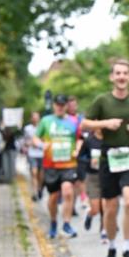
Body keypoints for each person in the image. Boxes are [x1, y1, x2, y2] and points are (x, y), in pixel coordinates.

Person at [81, 59, 129, 257]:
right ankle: (112, 246)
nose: (121, 77)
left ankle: (127, 248)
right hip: (107, 159)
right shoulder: (102, 100)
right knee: (110, 209)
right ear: (112, 77)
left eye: (125, 73)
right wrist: (105, 123)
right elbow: (84, 123)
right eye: (117, 73)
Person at [34, 94, 80, 239]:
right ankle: (53, 222)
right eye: (58, 105)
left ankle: (66, 224)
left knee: (67, 191)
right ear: (54, 105)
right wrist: (42, 144)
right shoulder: (46, 121)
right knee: (53, 197)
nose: (60, 107)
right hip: (51, 164)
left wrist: (77, 149)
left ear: (66, 106)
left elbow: (80, 138)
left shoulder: (74, 121)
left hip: (69, 163)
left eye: (63, 105)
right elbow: (35, 138)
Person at [78, 128, 107, 242]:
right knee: (95, 208)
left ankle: (104, 231)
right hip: (93, 176)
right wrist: (90, 160)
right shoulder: (89, 140)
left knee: (106, 207)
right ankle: (90, 215)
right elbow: (81, 156)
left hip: (107, 176)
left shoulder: (110, 140)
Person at [67, 95, 87, 211]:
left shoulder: (81, 118)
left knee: (80, 179)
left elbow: (84, 135)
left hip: (81, 154)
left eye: (74, 105)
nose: (72, 107)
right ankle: (72, 205)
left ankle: (81, 199)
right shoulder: (64, 119)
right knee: (71, 182)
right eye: (70, 105)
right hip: (67, 155)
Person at [23, 111, 45, 200]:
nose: (35, 119)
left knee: (41, 175)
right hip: (32, 154)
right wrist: (31, 143)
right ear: (31, 118)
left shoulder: (43, 127)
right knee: (34, 173)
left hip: (42, 153)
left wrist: (40, 142)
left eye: (37, 117)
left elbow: (46, 139)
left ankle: (40, 189)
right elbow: (25, 141)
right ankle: (35, 192)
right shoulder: (27, 128)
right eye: (34, 117)